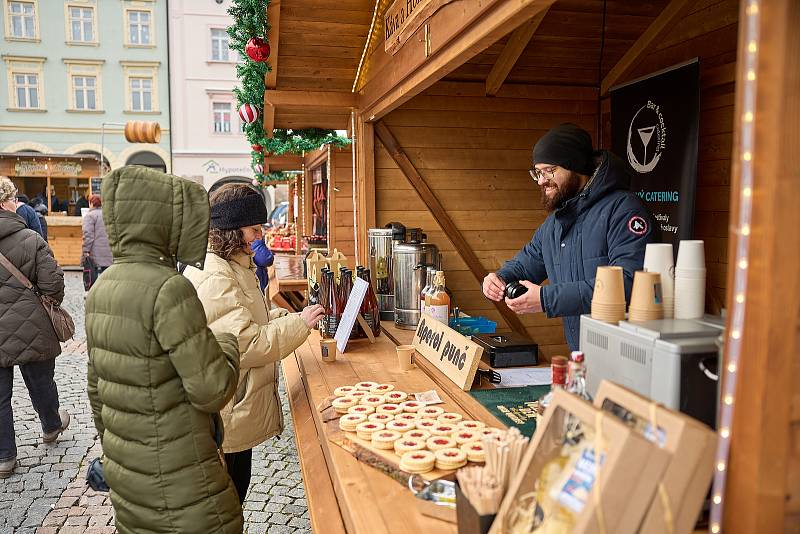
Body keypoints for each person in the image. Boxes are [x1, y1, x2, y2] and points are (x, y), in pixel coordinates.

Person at [84, 166, 244, 533]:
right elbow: (212, 388)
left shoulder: (102, 288)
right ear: (161, 221)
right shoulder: (169, 288)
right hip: (184, 486)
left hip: (131, 484)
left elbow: (96, 390)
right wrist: (226, 343)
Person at [183, 184, 324, 504]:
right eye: (254, 229)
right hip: (226, 409)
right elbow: (244, 344)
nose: (260, 235)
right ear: (232, 230)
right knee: (228, 500)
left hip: (231, 405)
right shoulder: (217, 275)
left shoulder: (230, 264)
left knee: (234, 493)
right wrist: (298, 325)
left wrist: (286, 316)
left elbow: (247, 317)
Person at [482, 123, 657, 351]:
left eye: (550, 171)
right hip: (582, 356)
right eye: (538, 172)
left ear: (575, 166)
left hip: (628, 353)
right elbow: (525, 264)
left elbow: (630, 283)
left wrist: (546, 298)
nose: (542, 180)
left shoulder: (624, 210)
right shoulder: (556, 222)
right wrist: (499, 279)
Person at [0, 177, 70, 479]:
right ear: (5, 202)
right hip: (31, 323)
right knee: (41, 379)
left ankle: (4, 457)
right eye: (14, 199)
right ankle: (52, 425)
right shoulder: (30, 238)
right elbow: (53, 284)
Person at [81, 194, 112, 281]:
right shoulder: (107, 215)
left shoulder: (90, 216)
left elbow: (88, 235)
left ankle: (93, 292)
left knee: (93, 275)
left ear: (91, 203)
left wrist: (85, 250)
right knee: (107, 275)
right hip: (108, 250)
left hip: (95, 251)